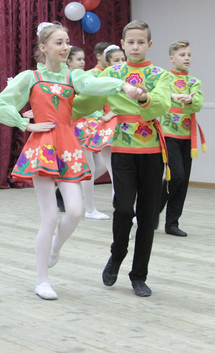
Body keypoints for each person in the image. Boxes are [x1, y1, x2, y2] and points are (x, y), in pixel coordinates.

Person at [0, 22, 143, 301]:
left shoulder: (74, 77)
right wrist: (25, 124)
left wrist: (122, 85)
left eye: (67, 42)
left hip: (68, 146)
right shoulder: (30, 78)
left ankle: (55, 248)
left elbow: (93, 85)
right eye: (59, 42)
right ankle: (42, 280)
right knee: (49, 216)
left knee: (74, 211)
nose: (65, 47)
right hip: (42, 147)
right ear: (43, 47)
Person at [76, 20, 171, 297]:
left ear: (149, 45)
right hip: (122, 149)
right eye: (131, 42)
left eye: (141, 42)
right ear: (122, 44)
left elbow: (163, 103)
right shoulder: (113, 74)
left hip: (152, 153)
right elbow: (87, 102)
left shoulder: (160, 75)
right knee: (124, 208)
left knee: (147, 216)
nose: (135, 47)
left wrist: (143, 99)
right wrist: (54, 111)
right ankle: (117, 253)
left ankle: (139, 275)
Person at [158, 40, 205, 237]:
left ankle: (172, 223)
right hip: (169, 134)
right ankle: (154, 209)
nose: (187, 58)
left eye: (189, 55)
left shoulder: (193, 82)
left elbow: (198, 103)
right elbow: (159, 98)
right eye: (182, 55)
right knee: (175, 175)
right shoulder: (164, 78)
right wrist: (173, 97)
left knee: (183, 180)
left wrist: (191, 99)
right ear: (171, 58)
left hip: (187, 136)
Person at [67, 46, 111, 220]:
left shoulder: (82, 77)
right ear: (69, 61)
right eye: (78, 59)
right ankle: (90, 209)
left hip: (89, 123)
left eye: (83, 59)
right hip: (77, 125)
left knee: (101, 165)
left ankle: (70, 191)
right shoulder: (68, 78)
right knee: (89, 167)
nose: (82, 62)